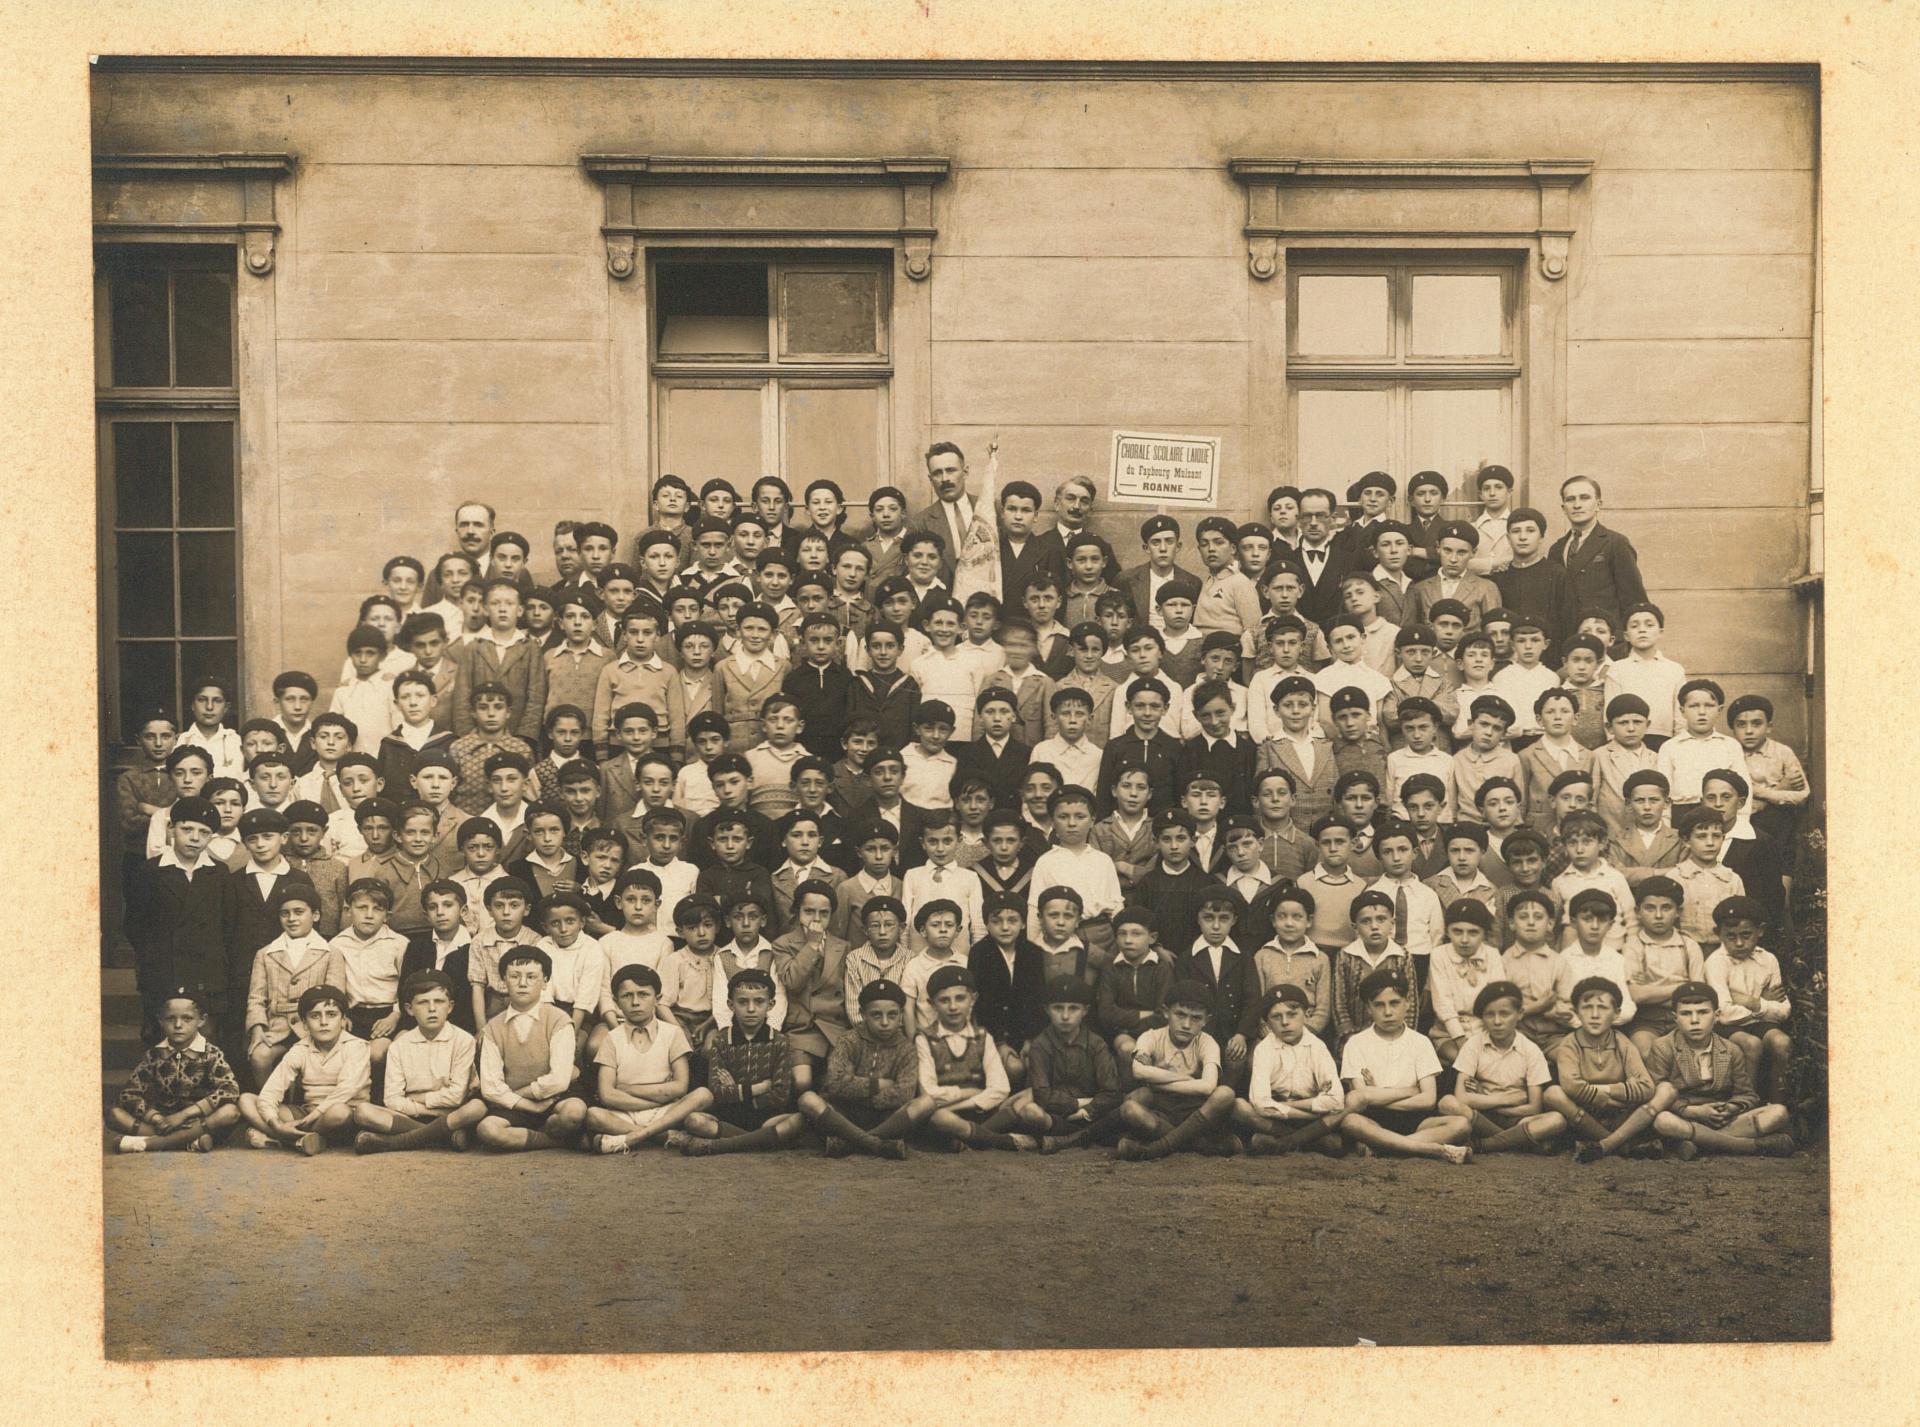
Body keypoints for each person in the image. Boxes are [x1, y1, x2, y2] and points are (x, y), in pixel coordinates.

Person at [1646, 980, 1797, 1158]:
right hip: (1684, 1117)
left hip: (1722, 1120)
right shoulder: (1663, 1047)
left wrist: (1730, 1108)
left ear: (1716, 1015)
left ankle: (1699, 1143)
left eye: (1703, 1012)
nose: (1695, 1020)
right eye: (1686, 1014)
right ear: (1675, 1018)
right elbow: (1655, 1094)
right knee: (1662, 1121)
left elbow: (1747, 1095)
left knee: (1778, 1112)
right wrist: (1694, 1111)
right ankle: (1748, 1146)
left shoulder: (1730, 1049)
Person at [1337, 968, 1473, 1163]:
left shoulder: (1420, 1042)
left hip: (1417, 1121)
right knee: (1350, 1121)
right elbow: (1361, 1097)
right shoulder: (1356, 1043)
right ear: (1368, 1008)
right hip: (1374, 1120)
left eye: (1394, 1003)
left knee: (1461, 1125)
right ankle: (1433, 1150)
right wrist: (1410, 1090)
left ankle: (1384, 1147)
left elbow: (1427, 1100)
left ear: (1407, 1003)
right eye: (1379, 1005)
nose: (1388, 1012)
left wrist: (1378, 1093)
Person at [796, 978, 924, 1158]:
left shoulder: (905, 1048)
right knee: (807, 1099)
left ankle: (849, 1142)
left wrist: (861, 1094)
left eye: (893, 1015)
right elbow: (835, 1083)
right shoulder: (849, 1040)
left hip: (885, 1117)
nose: (885, 1022)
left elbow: (904, 1093)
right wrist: (878, 1084)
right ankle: (876, 1144)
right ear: (863, 1014)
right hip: (845, 1115)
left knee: (925, 1103)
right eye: (876, 1015)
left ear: (901, 1014)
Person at [236, 984, 371, 1155]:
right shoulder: (300, 1049)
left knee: (339, 1111)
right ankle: (293, 1138)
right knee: (246, 1100)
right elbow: (270, 1092)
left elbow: (345, 1090)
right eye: (315, 1016)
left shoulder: (356, 1047)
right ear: (305, 1024)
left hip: (343, 1118)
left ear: (343, 1020)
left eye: (331, 1015)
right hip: (307, 1114)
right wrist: (276, 1124)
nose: (323, 1022)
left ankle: (290, 1139)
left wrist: (310, 1119)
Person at [996, 975, 1125, 1153]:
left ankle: (1058, 1139)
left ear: (1085, 1011)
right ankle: (1082, 1137)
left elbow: (1112, 1092)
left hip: (1092, 1114)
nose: (1065, 1016)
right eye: (1058, 1008)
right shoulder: (1040, 1045)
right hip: (1055, 1116)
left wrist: (1088, 1110)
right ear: (1047, 1010)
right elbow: (1042, 1095)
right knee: (1031, 1112)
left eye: (1073, 1009)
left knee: (1127, 1105)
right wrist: (1079, 1104)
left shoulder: (1096, 1044)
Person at [1115, 978, 1241, 1159]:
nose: (1186, 1024)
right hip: (1161, 1109)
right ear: (1166, 1012)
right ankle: (1204, 1146)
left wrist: (1157, 1082)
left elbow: (1207, 1087)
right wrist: (1186, 1079)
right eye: (1180, 1015)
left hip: (1196, 1110)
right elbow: (1139, 1071)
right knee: (1129, 1108)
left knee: (1225, 1094)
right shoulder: (1150, 1037)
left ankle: (1156, 1148)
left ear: (1206, 1020)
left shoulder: (1207, 1042)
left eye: (1196, 1018)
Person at [107, 987, 244, 1154]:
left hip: (197, 1122)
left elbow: (230, 1090)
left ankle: (149, 1144)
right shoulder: (155, 1055)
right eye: (171, 1019)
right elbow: (129, 1094)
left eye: (187, 1019)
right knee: (115, 1114)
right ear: (160, 1021)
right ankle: (187, 1141)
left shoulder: (211, 1054)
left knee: (230, 1112)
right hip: (163, 1123)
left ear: (201, 1020)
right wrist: (156, 1117)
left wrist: (184, 1115)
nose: (178, 1025)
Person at [1435, 981, 1566, 1154]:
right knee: (1447, 1103)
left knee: (1556, 1120)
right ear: (1482, 1018)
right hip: (1481, 1117)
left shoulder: (1531, 1050)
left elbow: (1534, 1107)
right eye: (1490, 1015)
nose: (1497, 1021)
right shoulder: (1473, 1045)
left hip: (1517, 1119)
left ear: (1519, 1014)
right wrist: (1507, 1099)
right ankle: (1519, 1143)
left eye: (1504, 1014)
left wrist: (1485, 1099)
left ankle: (1484, 1145)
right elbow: (1461, 1097)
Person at [1544, 976, 1661, 1162]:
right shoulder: (1570, 1044)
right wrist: (1620, 1091)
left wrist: (1606, 1090)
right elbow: (1571, 1087)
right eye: (1587, 1008)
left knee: (1665, 1090)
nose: (1595, 1015)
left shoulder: (1623, 1043)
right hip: (1584, 1118)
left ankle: (1605, 1145)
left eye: (1603, 1008)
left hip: (1620, 1116)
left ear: (1616, 1013)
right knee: (1553, 1093)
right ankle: (1620, 1144)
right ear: (1576, 1012)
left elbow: (1646, 1087)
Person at [916, 965, 1031, 1151]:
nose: (953, 1007)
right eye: (944, 1000)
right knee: (939, 1118)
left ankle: (969, 1139)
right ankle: (998, 1140)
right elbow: (928, 1092)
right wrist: (969, 1093)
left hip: (977, 1113)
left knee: (1028, 1096)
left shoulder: (983, 1036)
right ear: (932, 1004)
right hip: (944, 1118)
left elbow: (1000, 1088)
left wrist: (964, 1105)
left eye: (960, 998)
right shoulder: (925, 1039)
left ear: (973, 999)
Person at [1232, 983, 1345, 1157]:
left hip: (1308, 1111)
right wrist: (1299, 1113)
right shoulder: (1264, 1049)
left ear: (1306, 1015)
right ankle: (1307, 1140)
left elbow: (1336, 1100)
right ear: (1267, 1022)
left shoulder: (1317, 1047)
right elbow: (1261, 1103)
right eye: (1276, 1017)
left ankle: (1282, 1142)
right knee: (1239, 1107)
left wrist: (1290, 1106)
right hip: (1280, 1119)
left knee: (1346, 1107)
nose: (1285, 1022)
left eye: (1292, 1014)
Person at [1705, 894, 1794, 1102]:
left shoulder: (1768, 959)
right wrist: (1764, 1004)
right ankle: (1746, 1104)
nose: (1739, 943)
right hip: (1726, 1028)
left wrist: (1750, 1002)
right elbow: (1724, 1014)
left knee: (1782, 1043)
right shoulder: (1716, 963)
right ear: (1718, 934)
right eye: (1730, 936)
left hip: (1759, 1022)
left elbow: (1784, 1011)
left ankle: (1776, 1104)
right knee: (1751, 1044)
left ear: (1760, 931)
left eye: (1746, 935)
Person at [1548, 476, 1648, 631]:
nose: (1577, 505)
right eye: (1570, 499)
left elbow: (1634, 600)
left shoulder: (1615, 543)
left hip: (1607, 639)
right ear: (1563, 507)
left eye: (1585, 498)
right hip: (1571, 640)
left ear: (1598, 504)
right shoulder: (1557, 548)